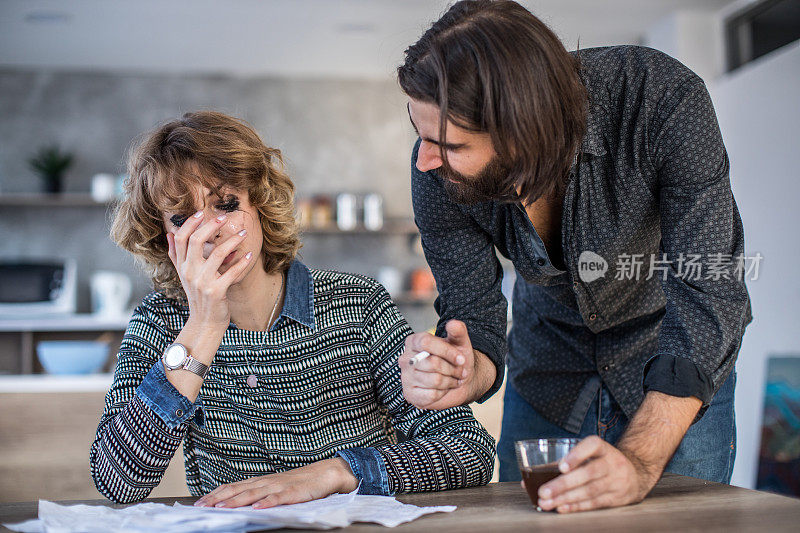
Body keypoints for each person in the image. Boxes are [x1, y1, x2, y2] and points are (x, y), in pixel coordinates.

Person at [396, 0, 751, 513]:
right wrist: (462, 372)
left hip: (674, 361)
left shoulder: (662, 99)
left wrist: (639, 462)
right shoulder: (435, 168)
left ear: (522, 132)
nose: (425, 160)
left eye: (450, 144)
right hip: (549, 367)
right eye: (420, 135)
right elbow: (474, 315)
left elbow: (709, 289)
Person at [90, 110, 494, 506]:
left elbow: (468, 450)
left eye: (227, 204)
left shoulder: (358, 304)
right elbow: (116, 481)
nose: (209, 232)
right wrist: (203, 326)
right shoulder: (160, 321)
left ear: (262, 206)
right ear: (164, 237)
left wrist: (335, 473)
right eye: (182, 217)